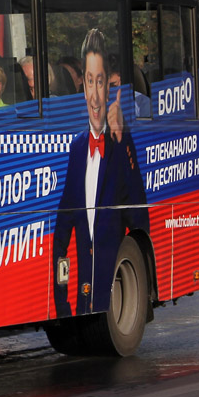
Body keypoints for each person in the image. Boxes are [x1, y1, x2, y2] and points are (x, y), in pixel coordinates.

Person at [51, 28, 147, 317]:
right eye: (89, 82)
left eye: (101, 82)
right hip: (82, 300)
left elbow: (139, 218)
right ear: (83, 88)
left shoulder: (120, 144)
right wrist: (61, 304)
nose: (94, 95)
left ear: (109, 88)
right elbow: (63, 227)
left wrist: (122, 139)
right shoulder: (78, 147)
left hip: (109, 296)